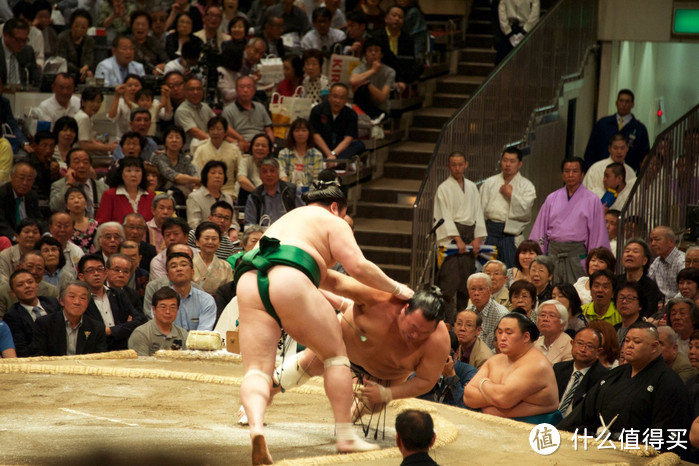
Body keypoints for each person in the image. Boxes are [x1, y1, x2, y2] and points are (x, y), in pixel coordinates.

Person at [234, 182, 413, 463]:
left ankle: (256, 430)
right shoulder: (333, 221)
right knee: (335, 356)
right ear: (335, 208)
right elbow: (357, 266)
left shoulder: (287, 220)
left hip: (248, 279)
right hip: (289, 278)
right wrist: (397, 289)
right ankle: (345, 435)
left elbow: (333, 280)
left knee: (257, 370)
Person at [559, 322, 691, 443]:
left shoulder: (669, 382)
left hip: (638, 452)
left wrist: (620, 440)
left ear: (654, 347)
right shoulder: (613, 375)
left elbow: (667, 435)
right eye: (627, 340)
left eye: (637, 341)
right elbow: (581, 415)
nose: (629, 345)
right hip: (598, 445)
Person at [463, 312, 560, 423]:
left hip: (535, 429)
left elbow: (503, 399)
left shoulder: (537, 364)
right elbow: (468, 397)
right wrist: (499, 400)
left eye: (509, 333)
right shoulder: (496, 360)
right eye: (499, 332)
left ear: (526, 337)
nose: (502, 338)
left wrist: (483, 383)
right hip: (496, 426)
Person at [529, 157, 610, 284]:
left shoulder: (592, 200)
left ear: (582, 174)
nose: (570, 175)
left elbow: (597, 234)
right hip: (553, 254)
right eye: (567, 171)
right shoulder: (552, 198)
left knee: (577, 293)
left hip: (577, 256)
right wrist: (540, 256)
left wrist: (594, 260)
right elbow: (541, 230)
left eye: (575, 171)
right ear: (562, 174)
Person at [434, 151, 487, 323]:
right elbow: (444, 216)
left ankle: (466, 322)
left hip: (470, 235)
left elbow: (478, 212)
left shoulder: (472, 187)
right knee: (448, 286)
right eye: (454, 164)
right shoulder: (443, 188)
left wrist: (477, 237)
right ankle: (448, 324)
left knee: (467, 286)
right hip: (452, 239)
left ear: (466, 164)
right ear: (448, 166)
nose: (457, 168)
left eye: (460, 164)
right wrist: (456, 239)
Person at [479, 146, 536, 268]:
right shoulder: (490, 182)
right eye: (505, 160)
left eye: (512, 161)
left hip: (511, 235)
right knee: (488, 271)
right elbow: (480, 210)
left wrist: (511, 195)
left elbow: (526, 212)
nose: (507, 164)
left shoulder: (527, 186)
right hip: (490, 232)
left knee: (511, 272)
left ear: (520, 164)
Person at [77, 254, 146, 350]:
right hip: (94, 351)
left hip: (122, 350)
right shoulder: (79, 299)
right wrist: (125, 327)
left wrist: (110, 331)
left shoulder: (118, 294)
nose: (96, 273)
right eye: (91, 270)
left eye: (100, 269)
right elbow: (88, 331)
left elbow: (140, 321)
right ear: (81, 276)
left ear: (105, 273)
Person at [29, 280, 108, 356]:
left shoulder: (97, 327)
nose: (77, 302)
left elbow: (99, 358)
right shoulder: (44, 324)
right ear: (61, 301)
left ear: (87, 303)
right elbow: (37, 355)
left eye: (83, 298)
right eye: (72, 296)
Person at [584, 89, 650, 172]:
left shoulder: (639, 129)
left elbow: (644, 157)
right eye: (621, 101)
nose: (623, 104)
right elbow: (591, 151)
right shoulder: (603, 124)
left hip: (627, 173)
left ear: (632, 104)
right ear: (616, 103)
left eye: (627, 102)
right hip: (601, 171)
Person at [3, 268, 60, 357]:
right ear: (13, 293)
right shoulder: (12, 316)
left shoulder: (52, 303)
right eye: (20, 284)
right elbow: (22, 350)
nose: (27, 286)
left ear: (37, 285)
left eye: (30, 282)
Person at [553, 327, 607, 418]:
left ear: (598, 351)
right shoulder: (559, 368)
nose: (583, 349)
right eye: (580, 343)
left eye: (589, 346)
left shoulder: (604, 378)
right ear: (572, 343)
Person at [310, 82, 365, 161]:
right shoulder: (317, 110)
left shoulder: (351, 114)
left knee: (359, 145)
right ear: (329, 97)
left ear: (346, 100)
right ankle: (335, 162)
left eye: (342, 98)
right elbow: (316, 135)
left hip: (340, 150)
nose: (337, 101)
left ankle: (335, 162)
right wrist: (329, 154)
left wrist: (334, 154)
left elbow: (348, 138)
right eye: (335, 96)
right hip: (322, 147)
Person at [128, 286, 189, 356]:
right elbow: (141, 365)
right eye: (163, 307)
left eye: (172, 307)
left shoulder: (183, 334)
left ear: (177, 309)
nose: (168, 311)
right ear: (154, 309)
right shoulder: (141, 334)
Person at [192, 116, 241, 200]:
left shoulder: (234, 150)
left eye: (219, 129)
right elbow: (196, 173)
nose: (215, 132)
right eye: (212, 129)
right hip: (205, 191)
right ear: (208, 131)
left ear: (225, 132)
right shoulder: (201, 150)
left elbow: (240, 174)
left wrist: (235, 193)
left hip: (229, 191)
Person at [221, 76, 274, 152]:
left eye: (249, 87)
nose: (245, 90)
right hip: (240, 146)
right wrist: (239, 143)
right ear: (236, 90)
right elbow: (225, 136)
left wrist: (269, 144)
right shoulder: (228, 110)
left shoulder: (260, 107)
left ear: (254, 90)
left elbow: (269, 131)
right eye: (242, 87)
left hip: (261, 145)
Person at [244, 158, 304, 226]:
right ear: (260, 175)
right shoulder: (254, 196)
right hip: (264, 234)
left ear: (278, 173)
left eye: (272, 171)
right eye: (264, 172)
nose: (269, 174)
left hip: (289, 231)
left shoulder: (292, 191)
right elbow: (250, 223)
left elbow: (302, 216)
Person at [166, 251, 216, 331]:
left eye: (184, 265)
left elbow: (203, 333)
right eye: (173, 266)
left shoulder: (206, 300)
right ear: (168, 276)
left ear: (192, 272)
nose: (179, 269)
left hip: (198, 342)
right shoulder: (160, 301)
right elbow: (162, 332)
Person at [96, 157, 155, 224]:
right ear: (121, 174)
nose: (133, 175)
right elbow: (103, 223)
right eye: (128, 171)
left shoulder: (150, 196)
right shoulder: (110, 195)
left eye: (137, 170)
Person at [0, 251, 59, 318]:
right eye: (30, 266)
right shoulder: (2, 292)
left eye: (39, 268)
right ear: (18, 268)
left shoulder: (52, 291)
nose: (34, 271)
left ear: (43, 272)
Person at [617, 238, 663, 318]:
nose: (629, 254)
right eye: (627, 251)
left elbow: (650, 314)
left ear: (644, 261)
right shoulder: (616, 281)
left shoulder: (650, 286)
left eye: (635, 251)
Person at [350, 38, 394, 119]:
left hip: (380, 109)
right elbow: (353, 81)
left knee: (364, 86)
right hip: (361, 107)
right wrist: (373, 70)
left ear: (381, 54)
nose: (373, 53)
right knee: (362, 89)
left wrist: (368, 84)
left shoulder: (390, 72)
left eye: (376, 51)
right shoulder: (359, 69)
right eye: (370, 51)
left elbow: (382, 98)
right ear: (365, 55)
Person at [466, 273, 509, 350]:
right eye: (473, 289)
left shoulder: (501, 314)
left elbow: (503, 346)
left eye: (481, 289)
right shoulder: (468, 311)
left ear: (490, 291)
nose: (476, 293)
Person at [152, 125, 201, 194]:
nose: (174, 140)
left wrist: (196, 184)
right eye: (170, 137)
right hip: (161, 192)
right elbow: (175, 177)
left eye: (177, 137)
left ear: (183, 142)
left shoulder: (185, 159)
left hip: (182, 192)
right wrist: (198, 180)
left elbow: (194, 172)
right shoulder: (159, 159)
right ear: (165, 142)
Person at [187, 160, 235, 228]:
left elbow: (233, 221)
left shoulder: (227, 198)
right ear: (205, 176)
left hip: (226, 235)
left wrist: (232, 230)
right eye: (213, 173)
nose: (217, 176)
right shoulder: (194, 197)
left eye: (220, 173)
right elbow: (194, 224)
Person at [0, 162, 42, 240]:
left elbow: (38, 218)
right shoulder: (2, 194)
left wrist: (46, 234)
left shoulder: (32, 195)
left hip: (30, 236)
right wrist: (15, 238)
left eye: (29, 179)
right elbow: (1, 223)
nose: (25, 183)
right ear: (12, 177)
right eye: (21, 178)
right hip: (8, 238)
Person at [278, 118, 323, 188]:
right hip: (288, 192)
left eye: (304, 130)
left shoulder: (317, 155)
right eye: (297, 131)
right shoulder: (283, 153)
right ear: (292, 133)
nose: (300, 133)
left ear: (309, 133)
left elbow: (317, 181)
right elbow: (282, 176)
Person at [174, 77, 216, 150]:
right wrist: (218, 142)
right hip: (190, 150)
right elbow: (196, 132)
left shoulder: (205, 107)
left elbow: (219, 123)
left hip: (209, 145)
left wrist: (238, 140)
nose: (195, 92)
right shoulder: (182, 110)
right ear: (185, 92)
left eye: (198, 89)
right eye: (191, 89)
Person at [74, 87, 119, 155]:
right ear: (83, 102)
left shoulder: (87, 117)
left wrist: (108, 145)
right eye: (92, 101)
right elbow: (84, 145)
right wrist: (109, 147)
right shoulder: (83, 118)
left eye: (98, 101)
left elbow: (90, 140)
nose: (96, 105)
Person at [192, 222, 233, 295]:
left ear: (219, 243)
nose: (210, 242)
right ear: (197, 242)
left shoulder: (226, 267)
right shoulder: (189, 265)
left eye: (214, 239)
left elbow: (229, 292)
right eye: (206, 238)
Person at [56, 9, 95, 82]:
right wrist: (80, 70)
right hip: (66, 73)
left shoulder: (89, 41)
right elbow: (62, 60)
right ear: (71, 25)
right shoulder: (62, 38)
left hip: (83, 73)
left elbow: (89, 59)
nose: (79, 29)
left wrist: (86, 67)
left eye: (83, 27)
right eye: (77, 26)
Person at [649, 225, 685, 301]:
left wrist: (669, 305)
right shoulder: (656, 262)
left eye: (657, 239)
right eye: (651, 240)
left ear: (671, 242)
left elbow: (685, 291)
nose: (653, 244)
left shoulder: (682, 261)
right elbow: (649, 285)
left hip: (679, 304)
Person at [0, 18, 40, 87]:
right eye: (18, 40)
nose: (21, 44)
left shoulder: (27, 51)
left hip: (23, 95)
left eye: (24, 40)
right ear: (5, 35)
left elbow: (36, 80)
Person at [130, 10, 168, 75]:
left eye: (144, 24)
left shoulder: (155, 42)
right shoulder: (127, 43)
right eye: (137, 24)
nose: (140, 27)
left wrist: (163, 65)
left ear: (149, 27)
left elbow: (167, 61)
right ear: (132, 26)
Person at [533, 300, 573, 364]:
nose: (545, 319)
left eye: (551, 316)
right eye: (542, 315)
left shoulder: (569, 347)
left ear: (562, 324)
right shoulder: (535, 343)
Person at [107, 74, 144, 139]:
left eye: (136, 85)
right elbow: (111, 117)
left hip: (142, 139)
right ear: (124, 87)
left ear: (142, 87)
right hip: (122, 140)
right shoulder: (121, 102)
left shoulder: (147, 102)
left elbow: (166, 116)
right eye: (129, 86)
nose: (133, 88)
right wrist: (117, 95)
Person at [26, 132, 60, 200]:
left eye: (52, 146)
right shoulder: (26, 163)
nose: (48, 150)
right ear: (35, 146)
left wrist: (55, 176)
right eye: (44, 146)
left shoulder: (53, 162)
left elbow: (56, 188)